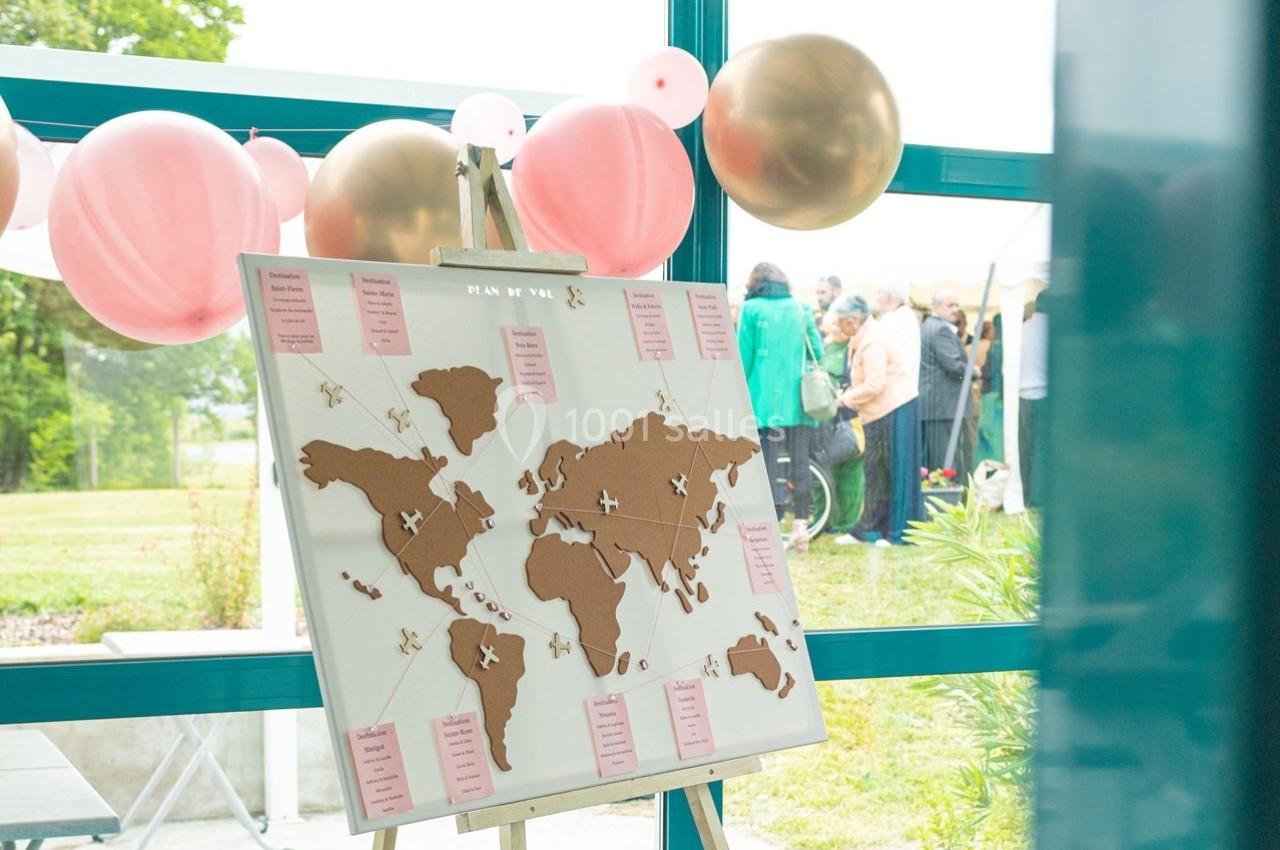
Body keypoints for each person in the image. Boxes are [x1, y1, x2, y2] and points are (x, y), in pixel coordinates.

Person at [737, 262, 823, 552]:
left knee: (768, 466)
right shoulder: (801, 308)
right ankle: (801, 527)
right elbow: (818, 351)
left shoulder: (751, 309)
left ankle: (772, 526)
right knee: (800, 462)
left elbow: (742, 356)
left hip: (764, 401)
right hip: (800, 401)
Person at [829, 295, 911, 545]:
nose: (837, 326)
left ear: (853, 320)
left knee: (884, 472)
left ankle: (890, 532)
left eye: (840, 321)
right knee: (876, 472)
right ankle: (870, 530)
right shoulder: (866, 335)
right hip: (879, 411)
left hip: (889, 410)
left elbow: (875, 384)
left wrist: (843, 400)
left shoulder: (873, 340)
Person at [874, 281, 923, 543]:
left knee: (898, 466)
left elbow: (890, 361)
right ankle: (899, 526)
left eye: (879, 291)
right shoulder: (903, 319)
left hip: (897, 399)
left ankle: (898, 530)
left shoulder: (896, 321)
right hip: (902, 398)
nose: (876, 295)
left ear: (890, 295)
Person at [818, 307, 865, 538]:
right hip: (821, 417)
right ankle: (822, 518)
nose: (836, 328)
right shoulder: (821, 348)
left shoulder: (853, 349)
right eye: (833, 324)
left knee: (850, 470)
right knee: (821, 467)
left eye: (840, 323)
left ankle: (847, 521)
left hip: (847, 414)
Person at [919, 290, 974, 485]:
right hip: (945, 406)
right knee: (947, 460)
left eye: (956, 305)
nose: (955, 310)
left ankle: (938, 499)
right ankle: (950, 502)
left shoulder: (928, 326)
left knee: (935, 460)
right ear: (935, 307)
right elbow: (955, 366)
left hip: (936, 405)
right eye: (950, 305)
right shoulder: (941, 330)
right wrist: (974, 371)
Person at [1019, 300, 1049, 507]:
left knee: (1025, 449)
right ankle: (1042, 497)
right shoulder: (1054, 330)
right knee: (1044, 449)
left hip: (1022, 396)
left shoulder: (1021, 329)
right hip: (1046, 396)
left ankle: (1026, 495)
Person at [974, 315, 1005, 466]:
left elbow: (989, 371)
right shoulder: (1006, 344)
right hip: (998, 394)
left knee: (987, 435)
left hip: (990, 394)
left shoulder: (996, 346)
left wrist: (979, 370)